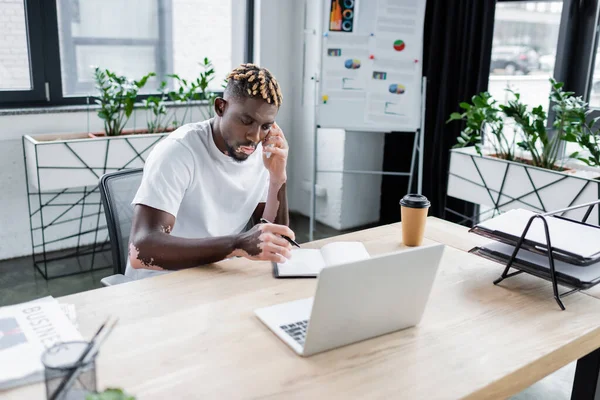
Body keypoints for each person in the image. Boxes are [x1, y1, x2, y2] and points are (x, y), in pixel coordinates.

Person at [126, 63, 295, 280]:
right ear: (220, 107)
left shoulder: (260, 154)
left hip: (214, 275)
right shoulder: (179, 151)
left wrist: (277, 178)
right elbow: (141, 250)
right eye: (246, 121)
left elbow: (273, 241)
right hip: (158, 281)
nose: (255, 136)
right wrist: (237, 244)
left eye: (265, 126)